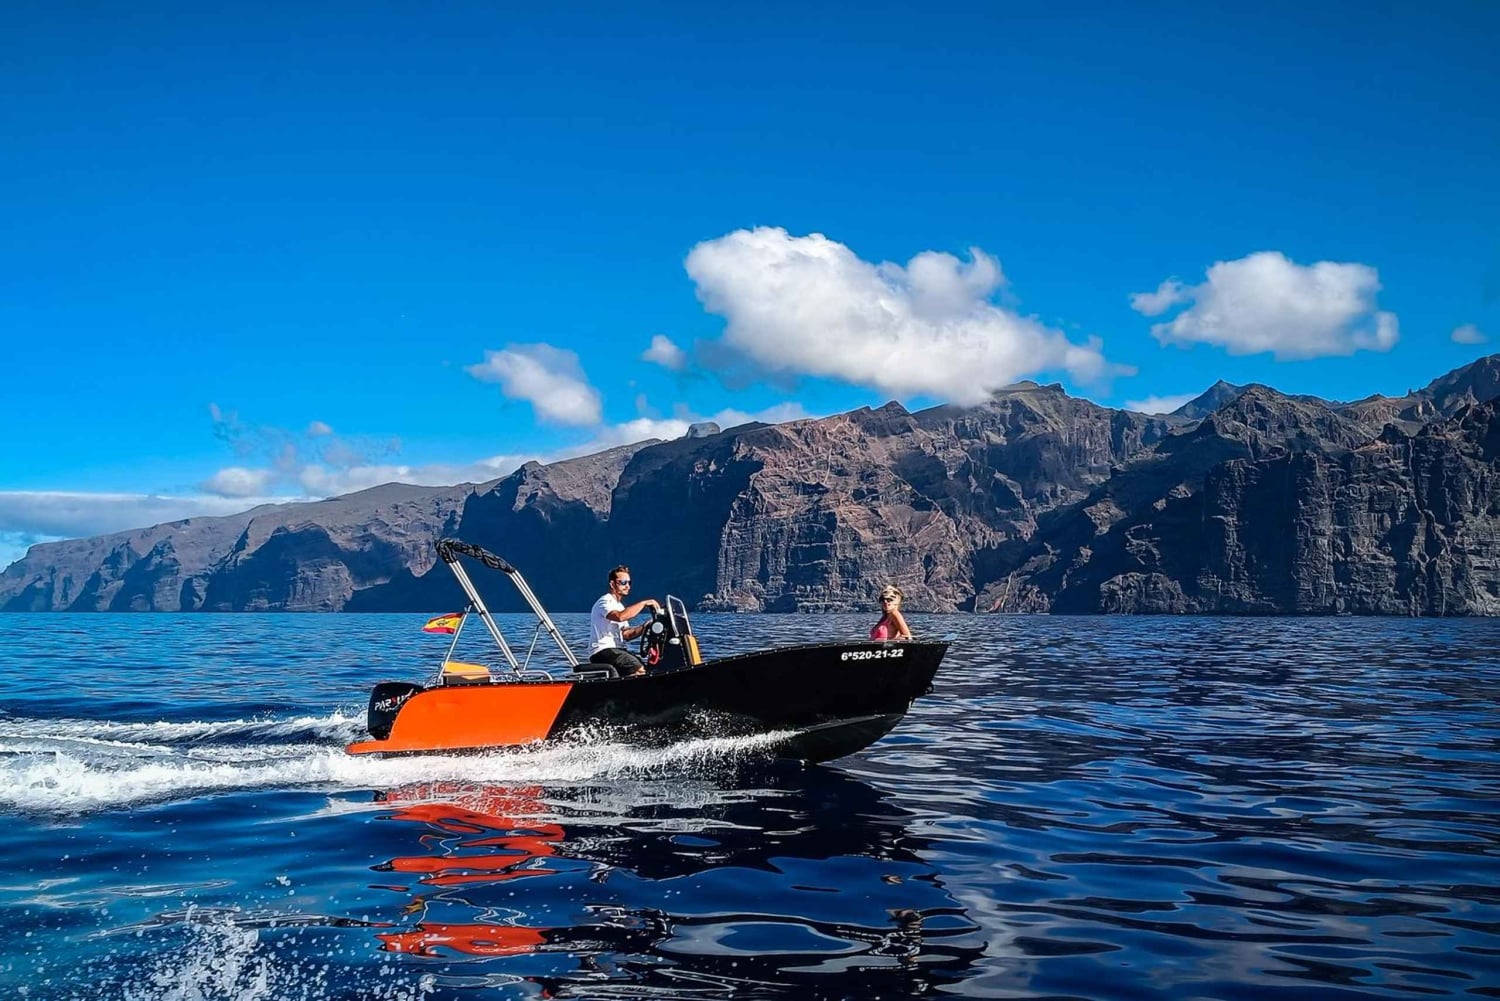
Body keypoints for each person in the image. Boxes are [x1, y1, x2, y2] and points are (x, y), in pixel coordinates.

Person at [587, 565, 662, 677]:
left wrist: (645, 626)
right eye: (623, 582)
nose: (627, 586)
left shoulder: (620, 606)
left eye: (629, 583)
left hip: (617, 650)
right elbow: (620, 617)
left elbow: (626, 634)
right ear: (612, 584)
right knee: (638, 668)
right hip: (602, 650)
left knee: (647, 667)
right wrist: (644, 603)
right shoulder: (605, 601)